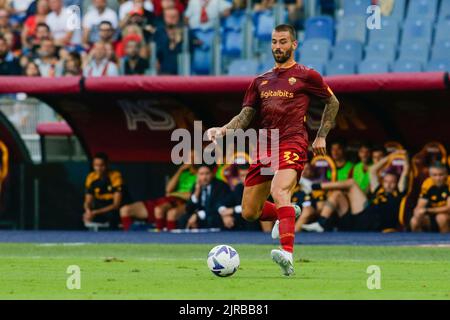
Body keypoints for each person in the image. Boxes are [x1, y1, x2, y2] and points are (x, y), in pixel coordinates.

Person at [206, 24, 339, 276]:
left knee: (280, 191)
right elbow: (246, 116)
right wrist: (222, 130)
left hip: (292, 141)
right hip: (265, 147)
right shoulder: (260, 81)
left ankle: (287, 254)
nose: (278, 47)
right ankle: (287, 212)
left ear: (294, 44)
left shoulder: (306, 75)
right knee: (249, 212)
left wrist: (321, 135)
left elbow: (332, 101)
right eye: (274, 42)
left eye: (283, 42)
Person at [302, 150, 410, 232]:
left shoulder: (398, 193)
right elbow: (372, 170)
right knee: (337, 194)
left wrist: (405, 160)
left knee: (352, 183)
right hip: (361, 219)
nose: (389, 184)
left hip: (374, 222)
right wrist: (390, 156)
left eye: (392, 182)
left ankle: (312, 186)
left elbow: (405, 172)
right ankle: (321, 223)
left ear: (396, 184)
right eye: (386, 181)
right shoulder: (378, 190)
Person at [120, 157, 197, 231]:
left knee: (159, 210)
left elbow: (193, 195)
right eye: (188, 158)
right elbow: (168, 189)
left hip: (181, 201)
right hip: (169, 199)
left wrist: (175, 194)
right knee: (125, 210)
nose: (189, 160)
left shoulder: (201, 174)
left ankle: (162, 238)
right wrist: (180, 170)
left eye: (192, 157)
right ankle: (130, 240)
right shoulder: (183, 173)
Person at [83, 152, 123, 229]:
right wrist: (88, 210)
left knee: (113, 216)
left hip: (113, 209)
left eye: (101, 165)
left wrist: (95, 212)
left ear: (107, 165)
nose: (98, 168)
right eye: (96, 165)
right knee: (85, 216)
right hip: (99, 207)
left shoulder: (115, 176)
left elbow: (116, 205)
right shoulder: (91, 177)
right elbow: (87, 201)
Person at [184, 164, 231, 230]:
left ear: (212, 174)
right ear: (197, 175)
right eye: (201, 174)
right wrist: (196, 192)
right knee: (184, 218)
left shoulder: (221, 186)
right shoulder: (196, 186)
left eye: (207, 174)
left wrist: (198, 215)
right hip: (200, 215)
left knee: (211, 219)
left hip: (214, 214)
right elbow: (188, 209)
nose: (204, 177)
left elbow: (219, 206)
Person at [410, 162, 450, 233]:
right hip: (432, 215)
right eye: (434, 175)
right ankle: (418, 243)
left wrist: (427, 210)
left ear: (446, 174)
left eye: (441, 175)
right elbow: (420, 205)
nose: (438, 178)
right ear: (430, 175)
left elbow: (448, 208)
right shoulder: (427, 184)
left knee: (441, 218)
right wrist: (418, 213)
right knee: (414, 221)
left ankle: (445, 242)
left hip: (446, 216)